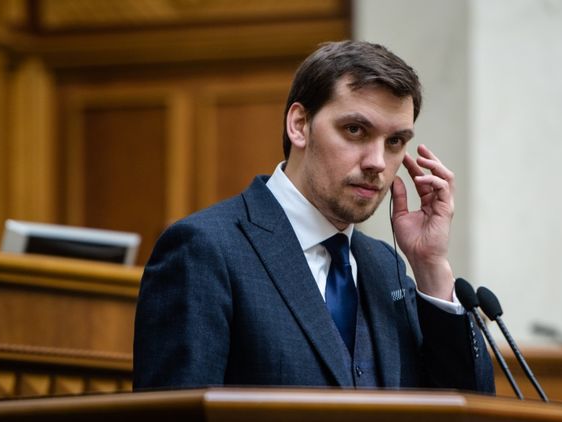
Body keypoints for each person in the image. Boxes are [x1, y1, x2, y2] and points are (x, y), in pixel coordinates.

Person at [134, 40, 494, 392]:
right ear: (299, 125)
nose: (377, 162)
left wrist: (430, 267)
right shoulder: (204, 249)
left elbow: (465, 407)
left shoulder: (387, 267)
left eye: (395, 142)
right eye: (355, 130)